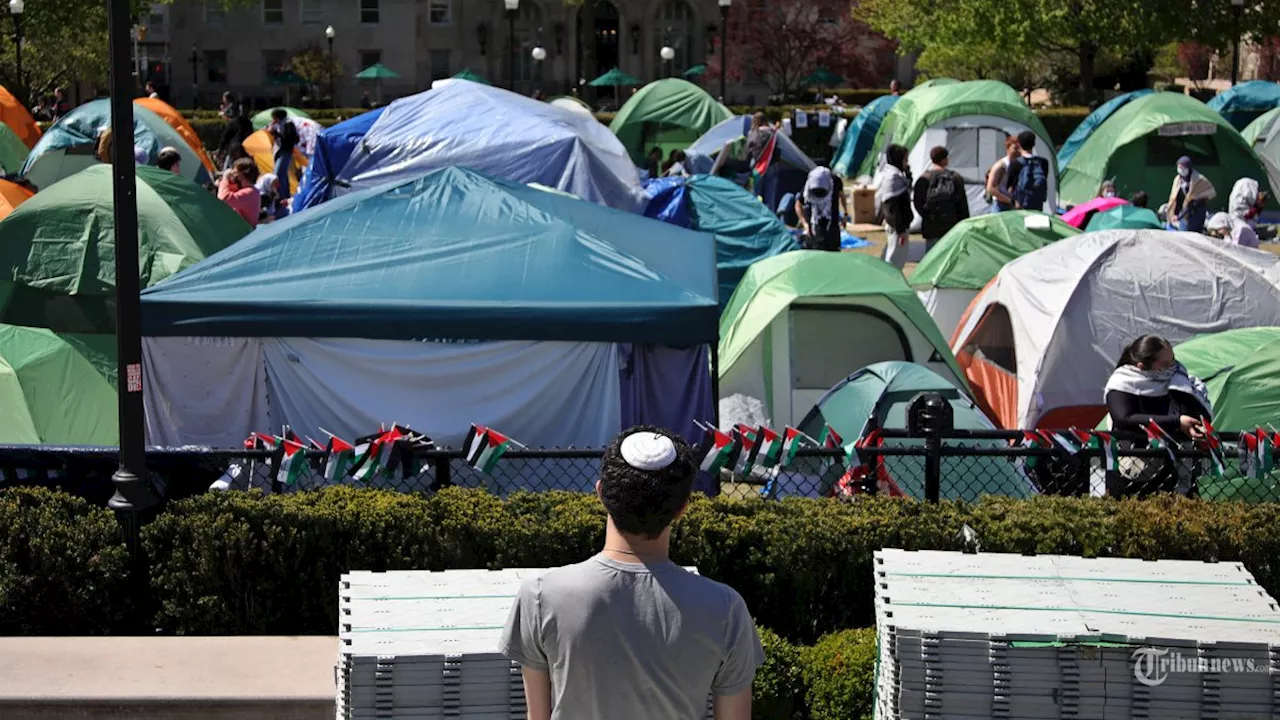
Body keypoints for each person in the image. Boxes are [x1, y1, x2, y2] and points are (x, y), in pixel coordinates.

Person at [501, 426, 764, 720]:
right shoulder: (725, 608)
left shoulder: (541, 595)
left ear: (601, 492)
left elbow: (538, 715)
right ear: (682, 508)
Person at [1104, 335, 1212, 497]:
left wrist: (1186, 394)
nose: (1173, 367)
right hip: (1136, 470)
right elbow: (1124, 418)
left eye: (1173, 360)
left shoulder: (1178, 378)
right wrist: (1176, 422)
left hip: (1179, 469)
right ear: (1142, 366)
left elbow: (1195, 411)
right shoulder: (1122, 383)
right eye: (1165, 364)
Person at [913, 146, 968, 253]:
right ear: (944, 159)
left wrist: (927, 216)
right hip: (952, 226)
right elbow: (962, 204)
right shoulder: (955, 177)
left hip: (931, 226)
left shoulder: (924, 178)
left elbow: (918, 203)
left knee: (931, 259)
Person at [875, 144, 913, 270]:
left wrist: (907, 172)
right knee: (895, 259)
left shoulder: (896, 176)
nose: (906, 162)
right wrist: (900, 229)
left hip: (898, 225)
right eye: (904, 159)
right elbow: (892, 208)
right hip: (897, 226)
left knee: (896, 256)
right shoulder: (893, 178)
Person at [795, 166, 845, 251]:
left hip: (832, 225)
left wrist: (845, 214)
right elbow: (798, 205)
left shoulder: (835, 181)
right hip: (814, 226)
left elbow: (842, 195)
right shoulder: (809, 186)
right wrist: (805, 224)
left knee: (833, 254)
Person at [1166, 156, 1214, 233]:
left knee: (1194, 233)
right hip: (1184, 210)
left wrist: (1197, 200)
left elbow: (1210, 192)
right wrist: (1175, 213)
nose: (1180, 169)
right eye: (1179, 167)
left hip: (1197, 211)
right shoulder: (1178, 179)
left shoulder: (1199, 179)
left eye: (1182, 167)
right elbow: (1175, 198)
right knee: (1183, 233)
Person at [1007, 131, 1049, 212]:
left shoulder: (1015, 163)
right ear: (1034, 144)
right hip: (1037, 203)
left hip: (1020, 204)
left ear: (1019, 144)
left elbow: (1010, 185)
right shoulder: (1043, 162)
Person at [218, 158, 261, 227]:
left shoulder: (249, 192)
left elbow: (223, 198)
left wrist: (225, 179)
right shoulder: (250, 191)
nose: (234, 176)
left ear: (243, 175)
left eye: (235, 173)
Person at [267, 108, 299, 201]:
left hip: (285, 150)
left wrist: (274, 133)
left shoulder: (287, 124)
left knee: (278, 173)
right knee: (283, 174)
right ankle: (285, 195)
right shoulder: (281, 124)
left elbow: (286, 138)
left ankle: (280, 195)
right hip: (280, 150)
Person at [984, 135, 1018, 214]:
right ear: (1008, 148)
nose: (1017, 151)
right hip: (1000, 205)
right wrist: (1009, 200)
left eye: (1019, 149)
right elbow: (991, 188)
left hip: (1013, 205)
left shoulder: (1018, 164)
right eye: (1015, 148)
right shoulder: (1001, 165)